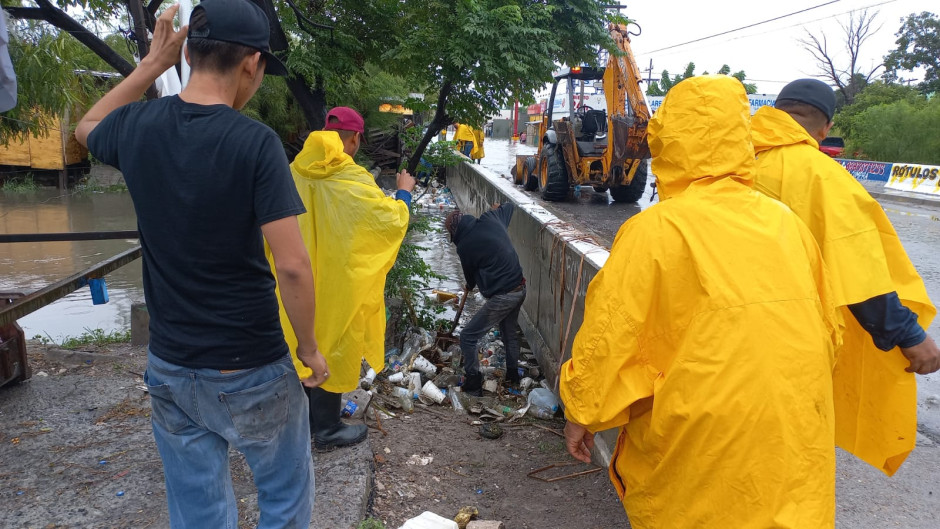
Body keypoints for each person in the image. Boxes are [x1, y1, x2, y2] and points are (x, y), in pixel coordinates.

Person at [74, 2, 327, 527]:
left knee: (198, 511)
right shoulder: (254, 142)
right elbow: (294, 266)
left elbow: (88, 126)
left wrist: (149, 66)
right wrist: (309, 349)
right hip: (250, 364)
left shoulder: (138, 126)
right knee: (283, 498)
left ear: (186, 53)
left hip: (170, 366)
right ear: (252, 63)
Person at [560, 76, 841, 528]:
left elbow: (611, 337)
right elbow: (831, 332)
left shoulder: (657, 230)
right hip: (793, 434)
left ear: (668, 139)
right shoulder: (786, 224)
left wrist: (583, 413)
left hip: (704, 438)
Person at [751, 78, 940, 475]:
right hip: (787, 347)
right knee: (779, 465)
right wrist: (909, 336)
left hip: (712, 344)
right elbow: (857, 272)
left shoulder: (725, 163)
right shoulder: (822, 176)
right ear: (824, 129)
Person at [269, 106, 415, 450]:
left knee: (301, 342)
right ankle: (328, 428)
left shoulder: (290, 172)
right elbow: (388, 221)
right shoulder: (352, 179)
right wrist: (404, 192)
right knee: (335, 347)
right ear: (355, 139)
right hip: (339, 283)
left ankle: (303, 424)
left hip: (295, 279)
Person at [445, 204, 526, 396]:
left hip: (503, 296)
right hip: (520, 287)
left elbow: (471, 280)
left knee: (468, 336)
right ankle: (513, 377)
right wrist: (497, 208)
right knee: (509, 335)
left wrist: (468, 286)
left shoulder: (464, 246)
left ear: (455, 232)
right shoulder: (491, 217)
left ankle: (473, 383)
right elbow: (509, 207)